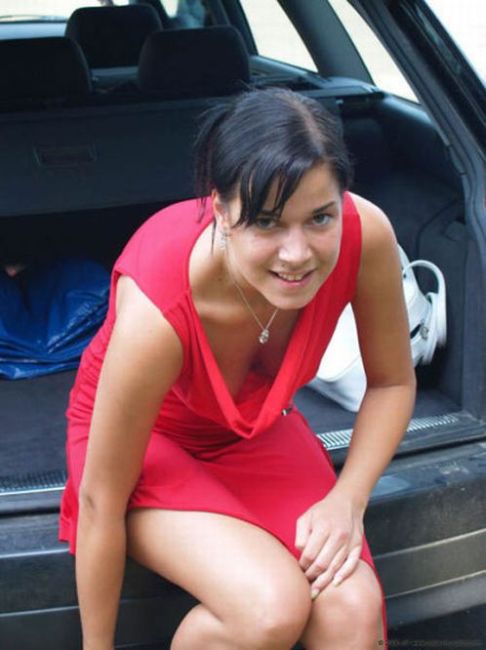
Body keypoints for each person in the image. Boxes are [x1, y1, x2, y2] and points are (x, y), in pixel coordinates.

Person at [59, 87, 416, 649]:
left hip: (255, 429)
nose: (297, 253)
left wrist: (348, 499)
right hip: (148, 444)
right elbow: (100, 499)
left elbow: (393, 382)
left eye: (320, 217)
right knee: (269, 607)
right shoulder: (160, 306)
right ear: (221, 212)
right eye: (268, 223)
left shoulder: (365, 235)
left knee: (351, 607)